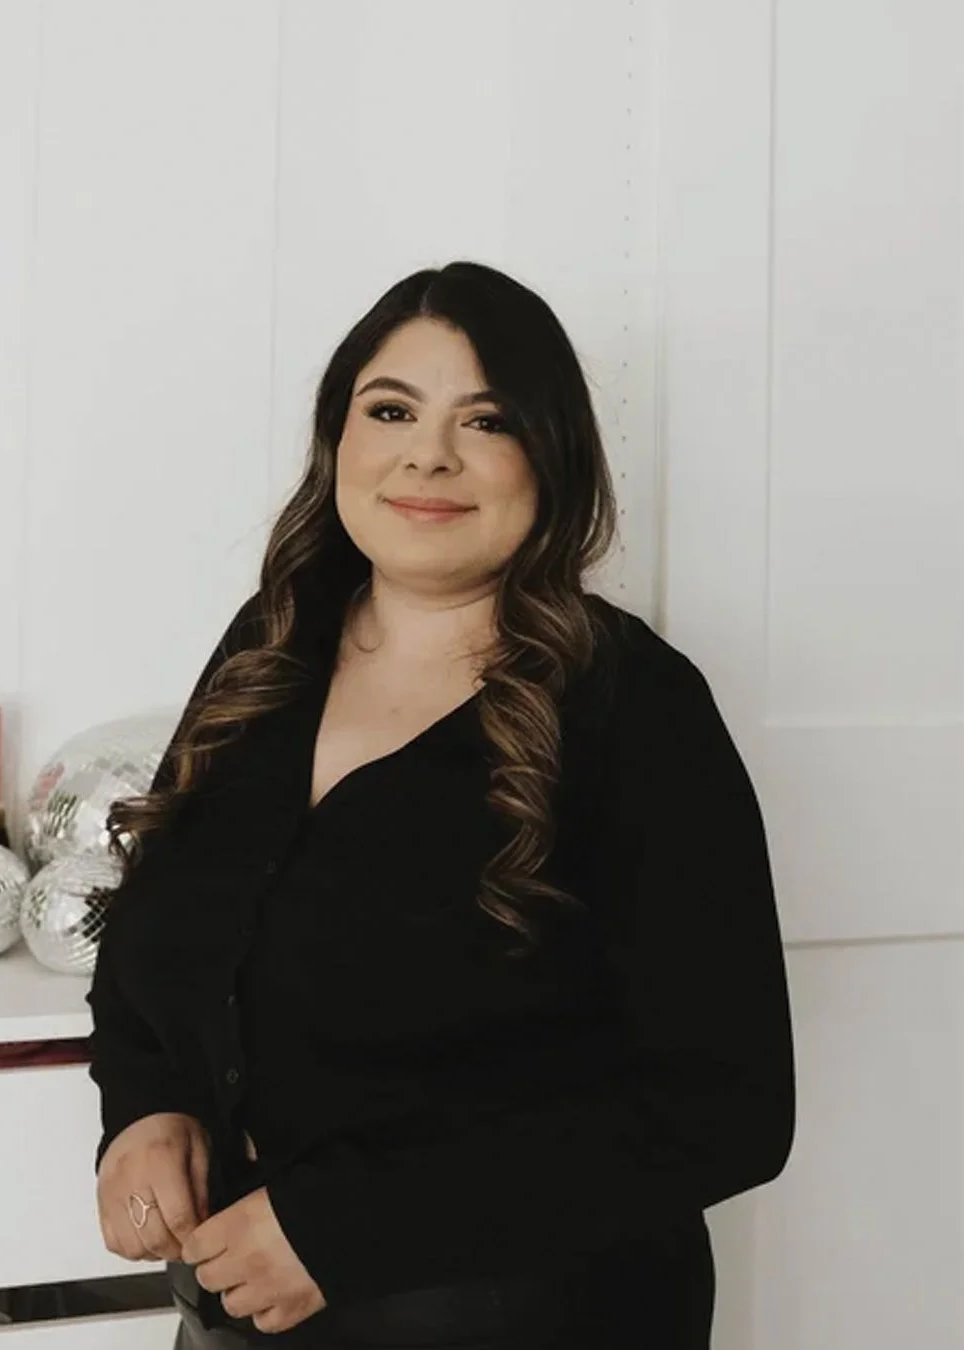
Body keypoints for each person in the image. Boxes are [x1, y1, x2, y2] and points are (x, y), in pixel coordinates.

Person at [85, 260, 796, 1350]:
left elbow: (728, 1109)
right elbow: (160, 933)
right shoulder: (268, 652)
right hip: (240, 1323)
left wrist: (345, 1228)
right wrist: (144, 1105)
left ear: (550, 459)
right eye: (391, 410)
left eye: (487, 420)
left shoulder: (633, 707)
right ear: (340, 442)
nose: (429, 454)